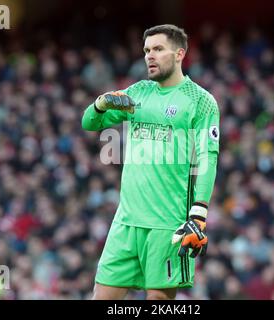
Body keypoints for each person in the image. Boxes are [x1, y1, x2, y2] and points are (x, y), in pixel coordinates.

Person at [82, 24, 220, 300]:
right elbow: (90, 123)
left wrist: (199, 214)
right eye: (146, 50)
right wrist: (100, 103)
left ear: (179, 53)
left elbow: (207, 157)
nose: (149, 56)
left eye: (158, 49)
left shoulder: (200, 101)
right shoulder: (138, 93)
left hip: (167, 225)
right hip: (126, 222)